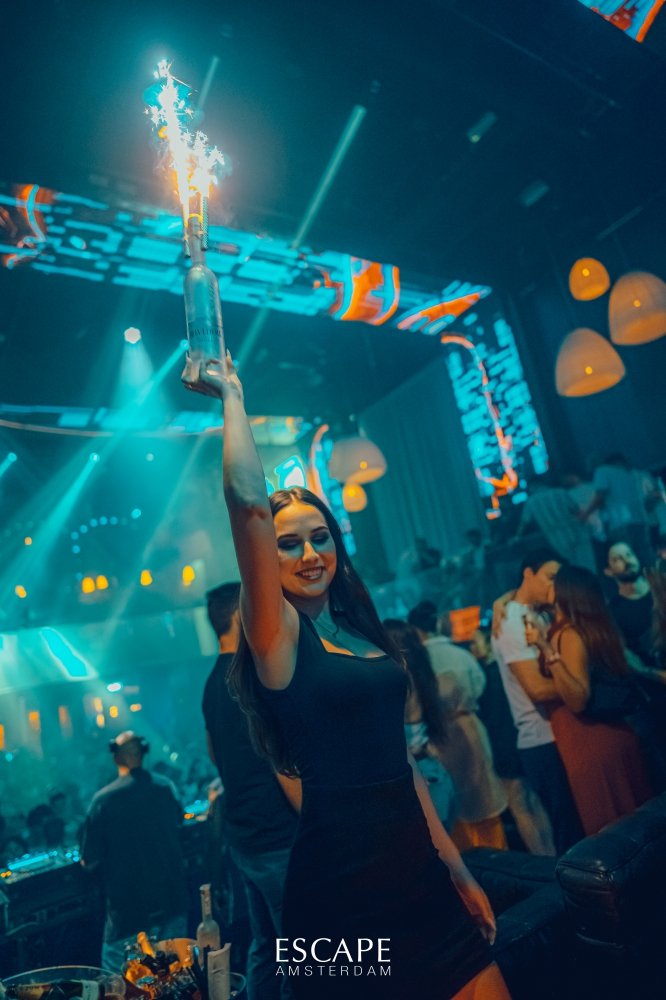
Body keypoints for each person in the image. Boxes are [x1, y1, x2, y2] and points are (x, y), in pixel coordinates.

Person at [189, 351, 509, 1000]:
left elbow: (402, 768)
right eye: (288, 544)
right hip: (337, 895)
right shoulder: (278, 640)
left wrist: (456, 868)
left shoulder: (364, 635)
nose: (309, 553)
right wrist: (233, 398)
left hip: (419, 875)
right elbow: (248, 505)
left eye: (320, 537)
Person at [203, 582, 299, 1000]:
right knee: (304, 950)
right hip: (277, 835)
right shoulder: (250, 677)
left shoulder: (212, 683)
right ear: (239, 616)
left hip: (245, 838)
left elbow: (214, 753)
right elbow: (280, 763)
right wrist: (314, 817)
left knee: (267, 946)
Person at [525, 565, 652, 835]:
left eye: (554, 582)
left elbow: (577, 699)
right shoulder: (582, 627)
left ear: (566, 591)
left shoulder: (569, 634)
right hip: (606, 734)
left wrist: (546, 649)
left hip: (589, 741)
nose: (548, 585)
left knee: (613, 832)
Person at [491, 550, 583, 854]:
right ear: (528, 573)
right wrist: (583, 684)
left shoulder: (537, 612)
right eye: (549, 577)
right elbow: (537, 689)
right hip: (542, 740)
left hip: (559, 733)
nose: (554, 586)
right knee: (573, 839)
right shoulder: (511, 621)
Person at [80, 731, 188, 971]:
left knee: (119, 982)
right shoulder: (166, 787)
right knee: (177, 978)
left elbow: (89, 861)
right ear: (144, 752)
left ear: (116, 757)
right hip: (172, 903)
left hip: (128, 915)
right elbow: (180, 826)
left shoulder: (102, 801)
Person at [408, 603, 508, 851]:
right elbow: (479, 686)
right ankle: (496, 854)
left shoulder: (419, 661)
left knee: (456, 805)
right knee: (483, 797)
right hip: (468, 726)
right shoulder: (460, 654)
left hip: (438, 735)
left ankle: (468, 860)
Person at [470, 627, 555, 855]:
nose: (472, 648)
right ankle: (553, 853)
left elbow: (486, 717)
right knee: (535, 801)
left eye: (476, 642)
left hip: (502, 747)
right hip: (521, 740)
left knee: (520, 807)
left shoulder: (484, 677)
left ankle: (540, 858)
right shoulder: (508, 670)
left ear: (488, 644)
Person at [383, 618, 457, 831]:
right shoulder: (422, 677)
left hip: (421, 777)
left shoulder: (400, 684)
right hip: (434, 772)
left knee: (433, 846)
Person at [581, 454, 653, 566]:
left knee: (626, 559)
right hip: (640, 519)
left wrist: (585, 514)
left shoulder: (602, 471)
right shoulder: (631, 473)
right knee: (645, 555)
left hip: (620, 523)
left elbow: (600, 496)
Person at [516, 473, 596, 572]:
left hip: (557, 539)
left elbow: (524, 523)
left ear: (532, 487)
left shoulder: (531, 502)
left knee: (575, 567)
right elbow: (577, 511)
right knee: (588, 564)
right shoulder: (560, 492)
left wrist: (517, 537)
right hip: (577, 533)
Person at [604, 541, 654, 663]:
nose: (627, 560)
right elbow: (626, 655)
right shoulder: (613, 612)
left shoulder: (661, 586)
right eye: (617, 559)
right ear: (609, 571)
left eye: (629, 554)